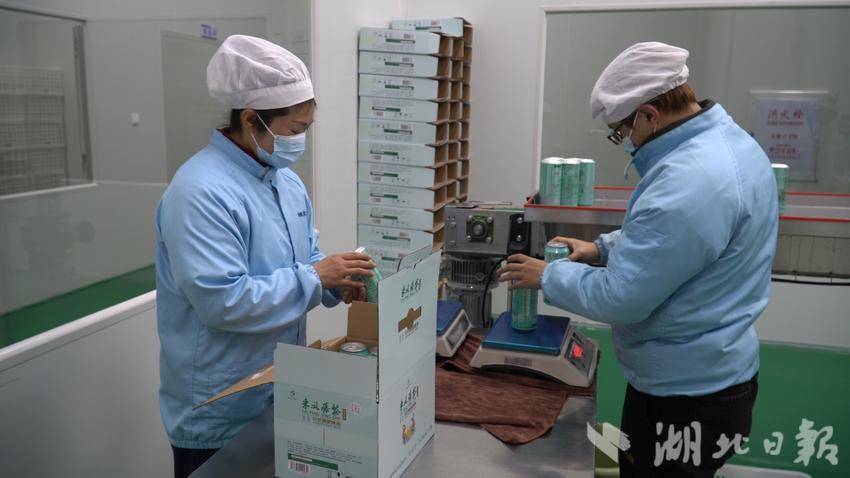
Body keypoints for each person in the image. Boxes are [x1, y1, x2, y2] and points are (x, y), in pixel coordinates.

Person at [498, 42, 778, 477]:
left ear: (649, 114)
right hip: (717, 374)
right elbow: (672, 239)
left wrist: (550, 276)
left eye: (621, 131)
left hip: (683, 399)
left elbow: (622, 298)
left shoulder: (690, 181)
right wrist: (600, 248)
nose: (625, 142)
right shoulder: (730, 144)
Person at [155, 35, 373, 478]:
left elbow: (304, 259)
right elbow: (223, 302)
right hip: (221, 408)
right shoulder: (200, 191)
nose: (300, 140)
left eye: (306, 128)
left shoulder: (284, 181)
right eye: (293, 130)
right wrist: (317, 277)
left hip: (280, 391)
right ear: (252, 119)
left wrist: (337, 282)